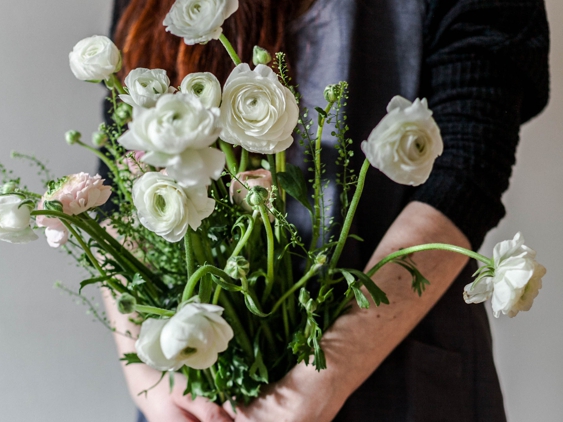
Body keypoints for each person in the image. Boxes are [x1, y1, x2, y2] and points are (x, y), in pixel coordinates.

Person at [101, 0, 550, 421]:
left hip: (397, 376)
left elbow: (469, 168)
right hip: (193, 395)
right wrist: (151, 376)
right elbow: (121, 178)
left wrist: (325, 375)